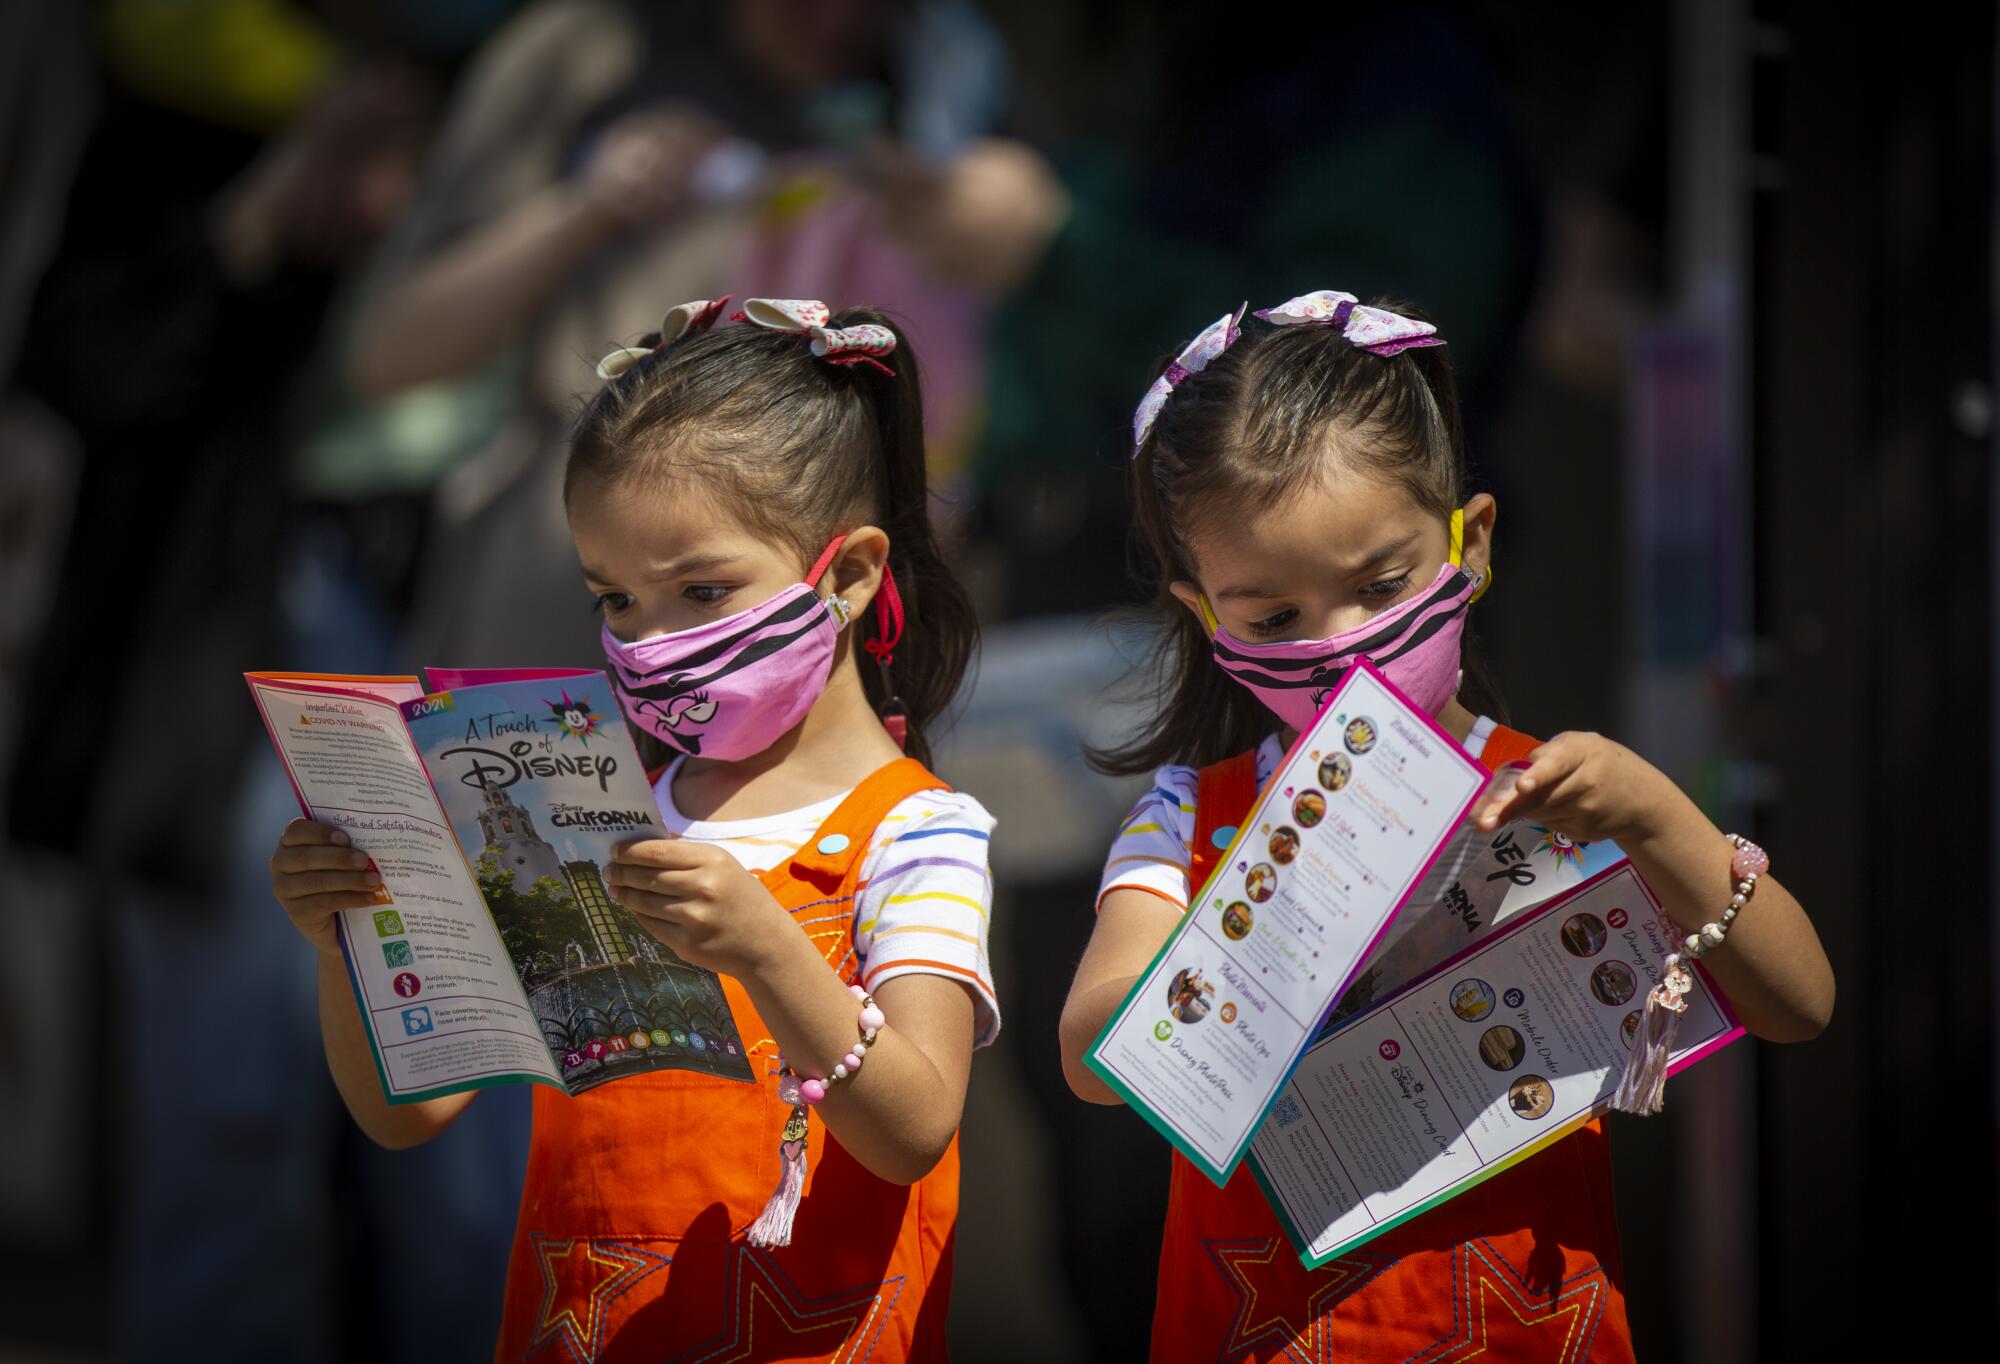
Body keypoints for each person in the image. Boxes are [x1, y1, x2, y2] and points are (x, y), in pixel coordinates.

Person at [1058, 289, 1835, 1359]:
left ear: (1467, 547)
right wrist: (1275, 950)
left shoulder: (1570, 796)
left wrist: (1659, 816)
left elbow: (1797, 1000)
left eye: (1379, 585)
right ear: (1205, 615)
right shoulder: (1195, 816)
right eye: (1273, 616)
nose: (1341, 648)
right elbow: (1092, 1050)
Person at [269, 301, 997, 1360]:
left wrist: (765, 947)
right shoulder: (580, 810)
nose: (652, 643)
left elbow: (912, 1128)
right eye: (615, 600)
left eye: (701, 591)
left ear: (844, 576)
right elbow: (407, 1113)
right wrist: (348, 936)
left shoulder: (917, 830)